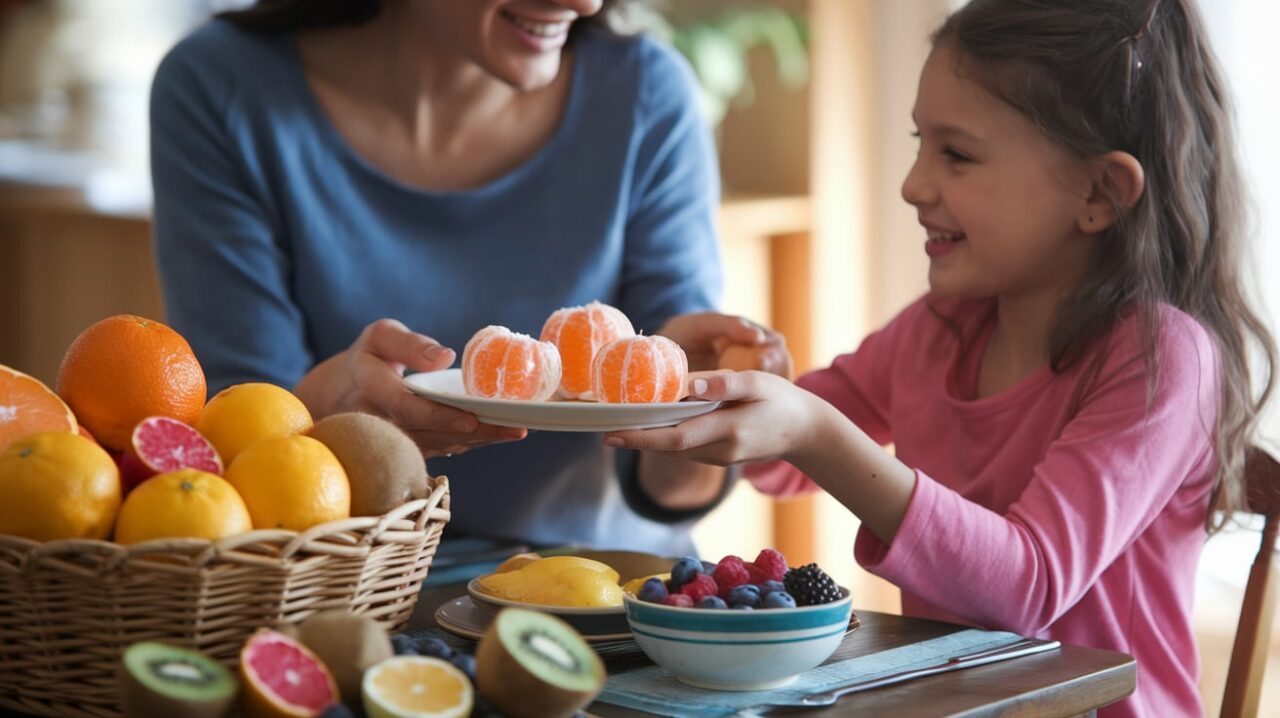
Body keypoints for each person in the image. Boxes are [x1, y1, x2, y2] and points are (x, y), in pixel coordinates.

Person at [605, 0, 1277, 714]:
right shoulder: (940, 328)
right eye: (921, 143)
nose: (913, 185)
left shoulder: (1163, 359)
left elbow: (1029, 586)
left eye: (956, 155)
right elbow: (777, 462)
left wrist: (810, 428)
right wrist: (751, 389)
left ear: (1100, 192)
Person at [149, 0, 783, 555]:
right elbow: (233, 448)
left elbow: (673, 484)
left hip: (602, 596)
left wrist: (706, 422)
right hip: (352, 590)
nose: (584, 3)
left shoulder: (646, 90)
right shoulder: (219, 89)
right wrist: (325, 414)